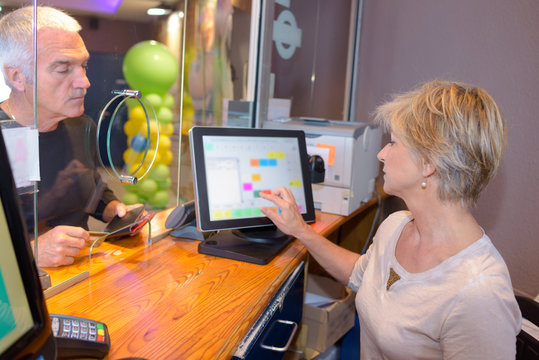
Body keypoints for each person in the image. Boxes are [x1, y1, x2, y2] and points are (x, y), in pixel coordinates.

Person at [260, 80, 522, 359]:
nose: (381, 154)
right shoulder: (397, 225)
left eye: (393, 143)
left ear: (429, 163)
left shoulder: (480, 294)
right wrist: (300, 230)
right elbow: (361, 274)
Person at [0, 6, 139, 267]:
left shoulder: (81, 127)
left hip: (83, 276)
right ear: (17, 77)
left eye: (84, 66)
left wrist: (111, 208)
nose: (84, 81)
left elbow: (88, 182)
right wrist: (30, 251)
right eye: (63, 69)